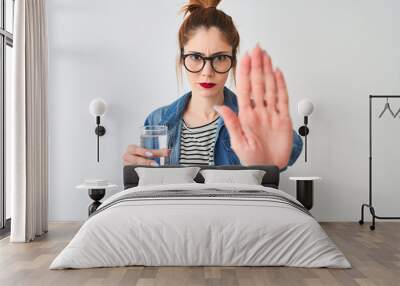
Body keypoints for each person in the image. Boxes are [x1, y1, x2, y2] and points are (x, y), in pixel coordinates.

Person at [123, 0, 303, 172]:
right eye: (195, 57)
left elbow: (290, 146)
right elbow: (151, 190)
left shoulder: (251, 119)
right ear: (181, 59)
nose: (207, 72)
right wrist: (136, 174)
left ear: (232, 62)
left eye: (220, 58)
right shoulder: (157, 121)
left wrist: (271, 160)